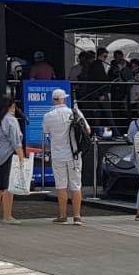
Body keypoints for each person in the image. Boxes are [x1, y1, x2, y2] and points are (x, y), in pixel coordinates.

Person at [42, 89, 87, 225]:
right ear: (63, 99)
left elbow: (46, 132)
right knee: (76, 185)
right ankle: (77, 216)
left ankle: (62, 215)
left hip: (57, 155)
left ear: (53, 100)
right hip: (74, 154)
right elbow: (88, 130)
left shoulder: (48, 116)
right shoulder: (74, 112)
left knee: (61, 186)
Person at [0, 97, 25, 224]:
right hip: (7, 154)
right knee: (9, 185)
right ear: (11, 106)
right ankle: (7, 216)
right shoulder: (11, 120)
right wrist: (21, 157)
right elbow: (15, 141)